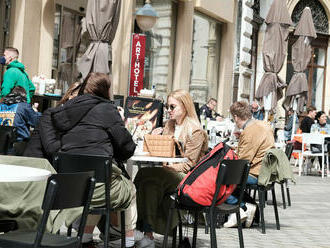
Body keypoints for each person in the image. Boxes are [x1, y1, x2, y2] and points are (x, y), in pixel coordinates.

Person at [24, 73, 138, 248]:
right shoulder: (107, 110)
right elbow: (127, 148)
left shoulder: (64, 110)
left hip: (69, 186)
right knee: (127, 186)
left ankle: (85, 235)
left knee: (95, 179)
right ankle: (126, 238)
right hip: (99, 187)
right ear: (106, 90)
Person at [134, 89, 208, 246]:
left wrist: (167, 166)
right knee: (149, 184)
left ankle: (132, 226)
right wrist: (154, 137)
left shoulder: (196, 130)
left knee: (145, 173)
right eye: (167, 107)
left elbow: (189, 164)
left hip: (187, 177)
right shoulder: (169, 125)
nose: (168, 111)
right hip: (167, 174)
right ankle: (147, 235)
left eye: (172, 107)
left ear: (185, 106)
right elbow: (162, 153)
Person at [224, 101, 274, 228]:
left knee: (218, 178)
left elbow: (242, 161)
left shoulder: (250, 131)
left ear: (235, 117)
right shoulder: (263, 125)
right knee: (229, 180)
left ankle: (241, 208)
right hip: (266, 172)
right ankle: (251, 209)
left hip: (256, 173)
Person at [0, 86, 41, 155]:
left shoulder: (1, 105)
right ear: (23, 96)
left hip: (1, 143)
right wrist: (35, 111)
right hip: (17, 144)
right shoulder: (23, 106)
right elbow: (36, 122)